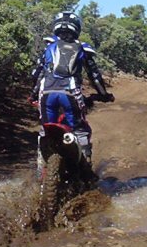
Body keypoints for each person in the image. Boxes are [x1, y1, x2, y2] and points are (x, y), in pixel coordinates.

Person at [30, 11, 114, 177]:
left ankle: (41, 170)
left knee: (44, 132)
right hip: (70, 94)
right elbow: (94, 76)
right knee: (80, 128)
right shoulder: (82, 48)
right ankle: (86, 169)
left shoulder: (49, 46)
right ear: (77, 28)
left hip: (46, 94)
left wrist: (33, 94)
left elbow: (36, 74)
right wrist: (104, 94)